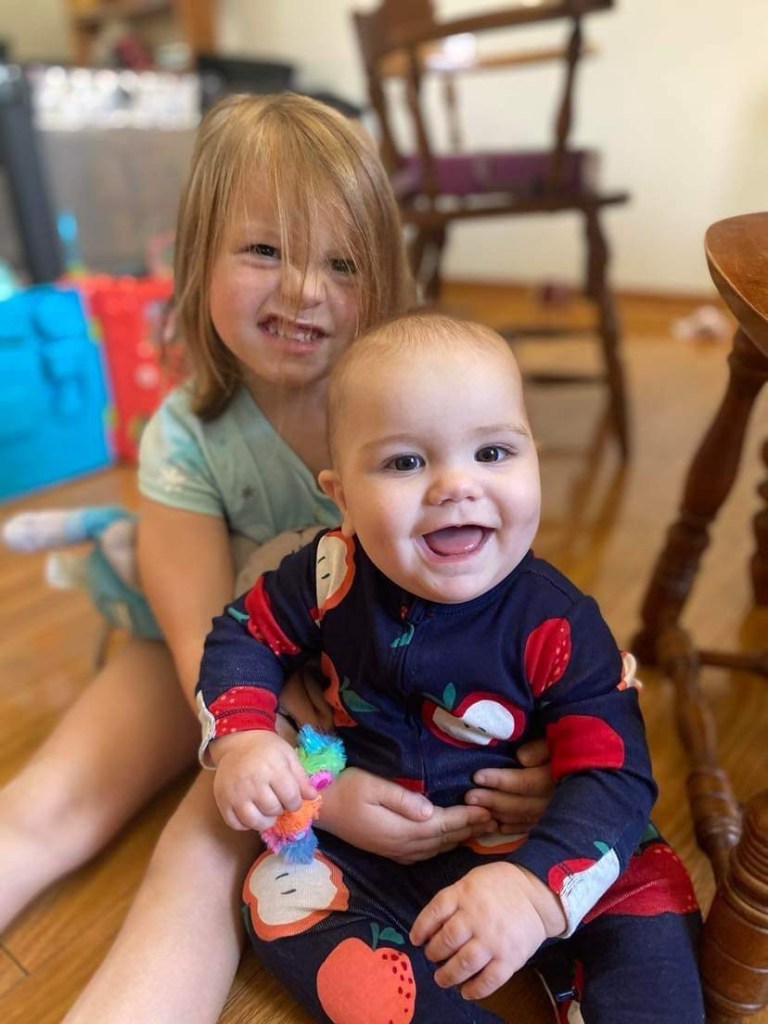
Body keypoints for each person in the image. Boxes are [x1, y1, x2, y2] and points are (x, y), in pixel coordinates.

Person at [0, 94, 551, 1024]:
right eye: (264, 250)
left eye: (341, 263)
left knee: (200, 849)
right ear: (195, 258)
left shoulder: (422, 412)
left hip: (374, 683)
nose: (302, 291)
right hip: (221, 674)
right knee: (56, 805)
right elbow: (204, 654)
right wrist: (318, 794)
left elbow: (512, 597)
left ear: (383, 278)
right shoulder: (189, 438)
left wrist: (543, 752)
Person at [197, 312, 705, 1024]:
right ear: (341, 499)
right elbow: (244, 633)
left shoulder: (557, 622)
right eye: (406, 463)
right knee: (280, 897)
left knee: (650, 903)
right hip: (373, 855)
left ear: (534, 460)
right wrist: (245, 738)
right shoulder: (326, 573)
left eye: (493, 453)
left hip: (540, 837)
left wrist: (532, 892)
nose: (456, 486)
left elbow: (614, 771)